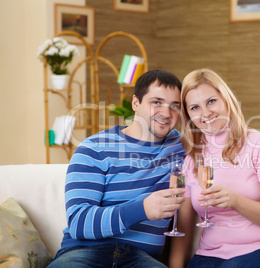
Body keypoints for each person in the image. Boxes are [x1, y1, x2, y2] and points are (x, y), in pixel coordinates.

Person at [48, 70, 186, 268]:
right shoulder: (95, 147)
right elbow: (79, 223)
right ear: (136, 103)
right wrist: (142, 209)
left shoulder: (181, 147)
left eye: (175, 106)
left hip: (142, 258)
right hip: (84, 252)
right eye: (156, 102)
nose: (166, 113)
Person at [170, 68, 260, 268]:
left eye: (211, 101)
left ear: (226, 100)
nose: (206, 113)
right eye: (195, 108)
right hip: (210, 256)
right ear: (188, 115)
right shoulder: (192, 158)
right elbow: (184, 228)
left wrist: (235, 201)